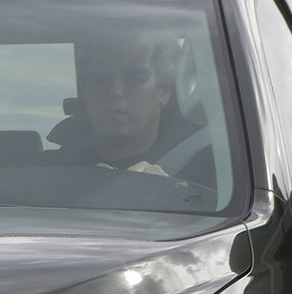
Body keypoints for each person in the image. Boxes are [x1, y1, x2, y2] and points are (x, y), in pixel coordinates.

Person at [48, 33, 210, 184]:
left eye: (135, 76)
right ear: (86, 91)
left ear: (164, 91)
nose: (115, 91)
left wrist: (168, 194)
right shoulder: (47, 175)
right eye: (100, 76)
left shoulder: (207, 174)